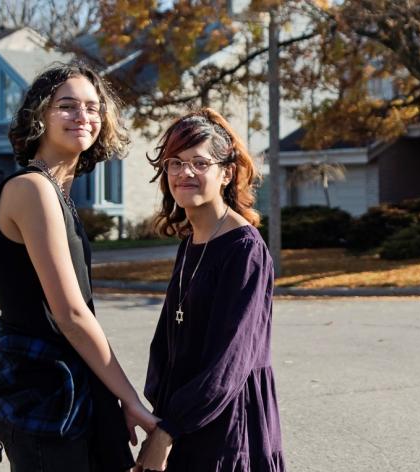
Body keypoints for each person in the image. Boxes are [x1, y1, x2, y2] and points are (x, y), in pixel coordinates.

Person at [0, 63, 157, 471]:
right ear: (39, 115)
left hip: (71, 383)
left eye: (92, 107)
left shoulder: (57, 193)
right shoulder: (32, 189)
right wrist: (130, 398)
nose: (83, 117)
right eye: (67, 106)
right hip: (43, 391)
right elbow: (71, 314)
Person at [135, 108, 286, 471]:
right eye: (175, 162)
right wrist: (156, 416)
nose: (185, 173)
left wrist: (168, 430)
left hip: (228, 425)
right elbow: (167, 342)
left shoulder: (244, 250)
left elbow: (229, 361)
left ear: (226, 173)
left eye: (199, 163)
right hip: (183, 420)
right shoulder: (190, 243)